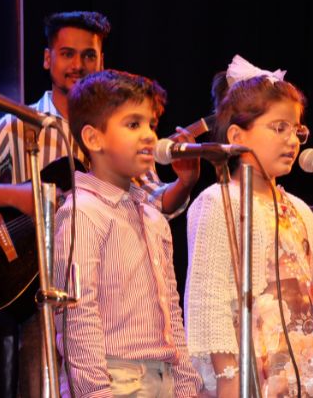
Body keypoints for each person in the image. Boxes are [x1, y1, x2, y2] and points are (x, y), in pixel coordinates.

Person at [0, 11, 200, 397]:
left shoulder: (131, 164)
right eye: (68, 54)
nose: (78, 64)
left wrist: (185, 182)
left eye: (89, 55)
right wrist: (18, 196)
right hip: (37, 288)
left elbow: (157, 201)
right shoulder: (19, 124)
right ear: (48, 58)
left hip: (132, 328)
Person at [183, 55, 313, 397]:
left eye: (296, 130)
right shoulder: (218, 202)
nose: (292, 140)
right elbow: (208, 302)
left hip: (308, 374)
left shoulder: (299, 209)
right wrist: (228, 380)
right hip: (251, 375)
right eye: (278, 128)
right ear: (237, 135)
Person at [53, 69, 203, 397]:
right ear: (93, 139)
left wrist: (187, 387)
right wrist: (95, 392)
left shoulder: (152, 217)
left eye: (152, 124)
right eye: (134, 124)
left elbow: (172, 311)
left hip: (163, 378)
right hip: (116, 380)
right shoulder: (84, 212)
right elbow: (77, 317)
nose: (149, 136)